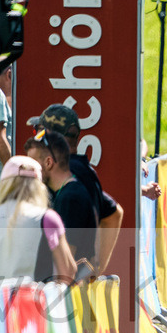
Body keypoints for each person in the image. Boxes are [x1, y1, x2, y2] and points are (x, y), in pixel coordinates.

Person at [27, 104, 125, 271]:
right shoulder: (85, 172)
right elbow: (114, 213)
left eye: (39, 133)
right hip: (76, 284)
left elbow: (67, 247)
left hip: (58, 286)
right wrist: (96, 267)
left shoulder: (63, 178)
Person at [0, 155, 77, 284]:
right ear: (39, 187)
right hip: (32, 301)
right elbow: (67, 272)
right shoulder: (46, 219)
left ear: (3, 185)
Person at [24, 130, 97, 264]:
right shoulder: (67, 192)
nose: (29, 170)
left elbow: (65, 262)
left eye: (33, 163)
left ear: (48, 162)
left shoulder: (70, 198)